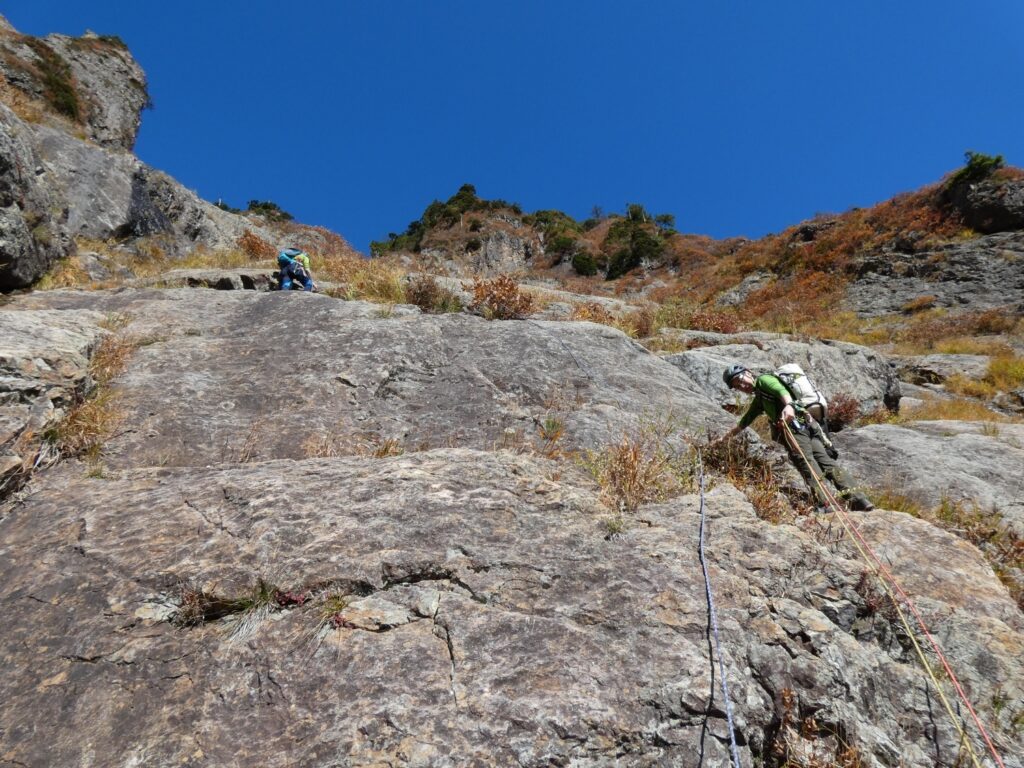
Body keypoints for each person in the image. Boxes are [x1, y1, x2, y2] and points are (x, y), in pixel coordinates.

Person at [715, 364, 875, 513]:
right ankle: (859, 500)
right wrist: (724, 439)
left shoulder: (764, 380)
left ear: (748, 373)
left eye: (740, 380)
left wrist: (789, 407)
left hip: (795, 427)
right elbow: (745, 421)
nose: (742, 386)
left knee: (805, 461)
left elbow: (781, 391)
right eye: (737, 386)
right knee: (825, 461)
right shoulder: (760, 399)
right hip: (808, 425)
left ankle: (825, 503)